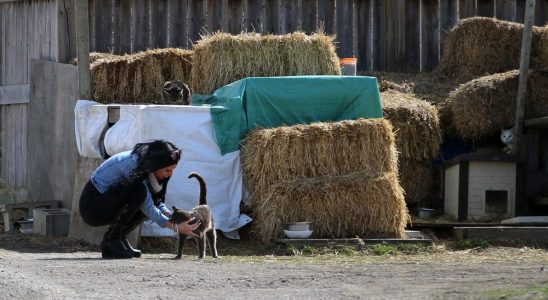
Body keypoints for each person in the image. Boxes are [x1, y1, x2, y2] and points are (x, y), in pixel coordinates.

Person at [79, 140, 200, 259]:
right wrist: (175, 227)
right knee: (139, 191)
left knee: (142, 193)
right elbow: (147, 205)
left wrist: (174, 216)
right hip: (92, 206)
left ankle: (120, 238)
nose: (170, 174)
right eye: (168, 170)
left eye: (173, 170)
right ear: (157, 165)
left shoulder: (154, 171)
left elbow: (157, 203)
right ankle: (111, 241)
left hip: (108, 202)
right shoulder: (133, 164)